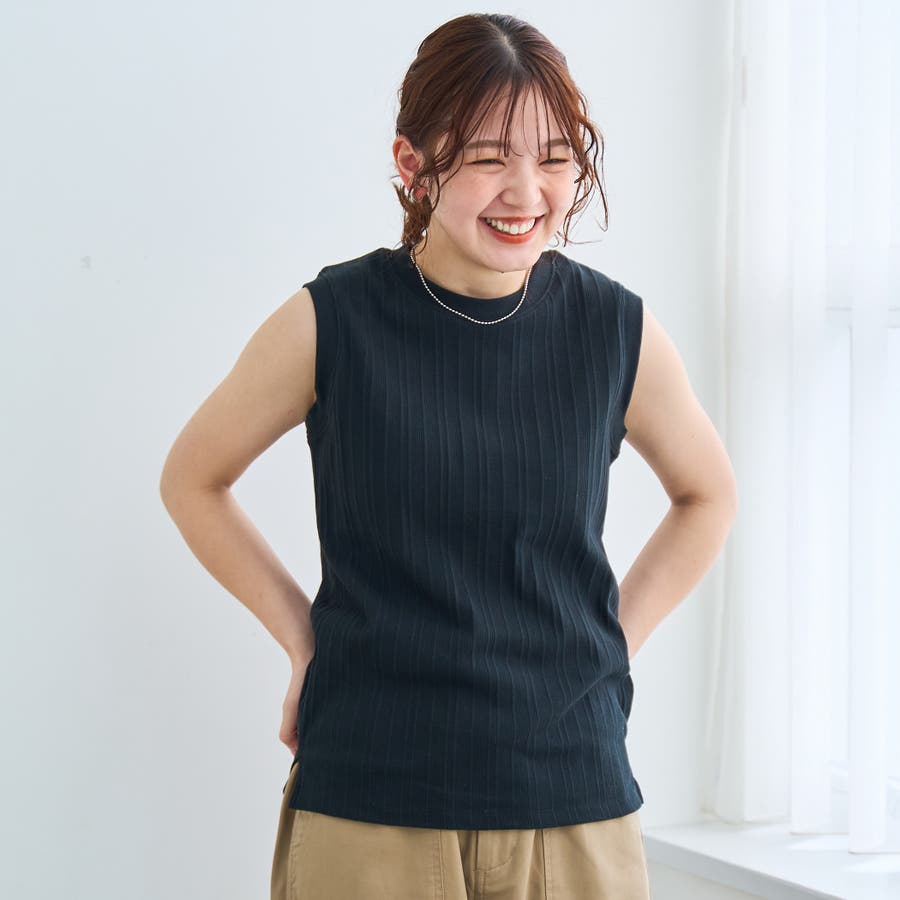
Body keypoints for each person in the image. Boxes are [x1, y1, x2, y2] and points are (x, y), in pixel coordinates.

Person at [160, 12, 738, 900]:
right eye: (488, 158)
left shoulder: (614, 329)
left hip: (572, 799)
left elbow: (709, 494)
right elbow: (193, 479)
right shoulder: (332, 321)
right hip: (371, 797)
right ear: (413, 165)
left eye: (554, 158)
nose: (526, 191)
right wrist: (303, 640)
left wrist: (610, 648)